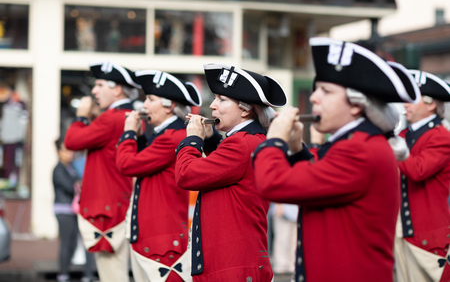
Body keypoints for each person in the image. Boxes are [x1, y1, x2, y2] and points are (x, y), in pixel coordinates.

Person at [252, 37, 421, 282]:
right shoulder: (354, 143)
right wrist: (296, 147)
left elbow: (273, 183)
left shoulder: (361, 149)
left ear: (356, 104)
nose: (313, 98)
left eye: (326, 91)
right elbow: (313, 182)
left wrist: (275, 139)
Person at [175, 63, 287, 281]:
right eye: (215, 98)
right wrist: (211, 139)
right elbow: (225, 171)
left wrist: (192, 139)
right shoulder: (247, 141)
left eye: (222, 99)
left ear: (245, 109)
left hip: (232, 267)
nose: (213, 106)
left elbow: (186, 174)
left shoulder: (240, 144)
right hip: (235, 265)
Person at [115, 70, 202, 282]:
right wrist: (139, 136)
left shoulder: (172, 137)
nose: (143, 105)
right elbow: (149, 164)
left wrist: (127, 133)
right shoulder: (164, 134)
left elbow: (126, 164)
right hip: (152, 239)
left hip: (160, 242)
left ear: (170, 105)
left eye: (150, 99)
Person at [64, 61, 141, 282]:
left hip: (107, 210)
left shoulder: (111, 118)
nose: (94, 91)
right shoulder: (127, 116)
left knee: (112, 275)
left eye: (99, 85)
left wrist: (81, 115)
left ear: (116, 89)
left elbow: (71, 140)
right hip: (120, 203)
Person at [394, 70, 450, 282]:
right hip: (400, 232)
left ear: (431, 104)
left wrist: (391, 143)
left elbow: (418, 170)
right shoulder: (403, 136)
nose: (405, 105)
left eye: (411, 99)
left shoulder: (442, 137)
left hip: (426, 236)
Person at [52, 138, 95, 282]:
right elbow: (71, 187)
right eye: (65, 150)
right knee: (67, 242)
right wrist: (78, 185)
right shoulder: (58, 169)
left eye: (70, 150)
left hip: (74, 210)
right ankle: (63, 274)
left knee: (74, 243)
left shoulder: (72, 168)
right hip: (63, 210)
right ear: (58, 152)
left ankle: (72, 272)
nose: (69, 153)